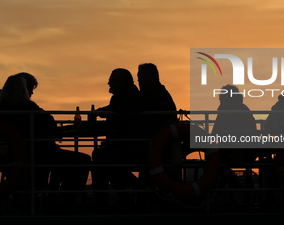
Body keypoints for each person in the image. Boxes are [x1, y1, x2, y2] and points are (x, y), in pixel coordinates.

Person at [0, 74, 91, 213]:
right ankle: (68, 201)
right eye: (29, 89)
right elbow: (49, 124)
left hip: (13, 157)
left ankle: (54, 199)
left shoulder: (4, 109)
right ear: (24, 90)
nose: (32, 93)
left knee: (60, 162)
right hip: (39, 154)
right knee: (83, 160)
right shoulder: (28, 107)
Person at [91, 68, 143, 211]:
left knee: (100, 157)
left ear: (122, 82)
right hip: (122, 146)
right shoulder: (122, 97)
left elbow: (121, 110)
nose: (109, 83)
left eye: (112, 80)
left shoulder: (131, 96)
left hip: (130, 148)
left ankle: (102, 202)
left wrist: (102, 111)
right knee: (101, 157)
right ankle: (119, 199)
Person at [211, 84, 257, 188]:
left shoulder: (224, 110)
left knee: (214, 160)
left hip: (229, 152)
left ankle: (233, 186)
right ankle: (242, 189)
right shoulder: (245, 109)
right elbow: (253, 130)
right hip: (249, 152)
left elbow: (215, 133)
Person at [136, 63, 177, 137]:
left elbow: (134, 106)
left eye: (143, 76)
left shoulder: (154, 94)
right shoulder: (159, 92)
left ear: (153, 77)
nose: (139, 80)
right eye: (138, 77)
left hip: (156, 137)